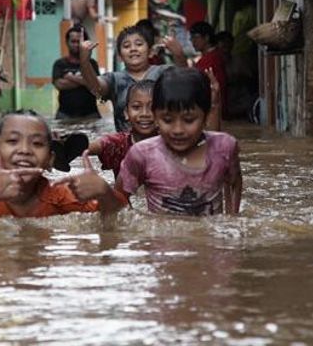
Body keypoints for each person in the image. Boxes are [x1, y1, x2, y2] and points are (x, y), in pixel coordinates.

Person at [0, 110, 121, 225]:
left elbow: (121, 221)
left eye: (37, 144)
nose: (24, 150)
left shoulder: (60, 195)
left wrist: (104, 192)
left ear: (50, 160)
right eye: (13, 141)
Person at [116, 68, 243, 216]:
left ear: (206, 117)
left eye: (188, 120)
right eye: (168, 120)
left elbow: (234, 182)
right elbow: (118, 197)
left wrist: (232, 218)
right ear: (156, 117)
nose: (178, 130)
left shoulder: (225, 147)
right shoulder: (142, 154)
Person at [89, 73, 223, 178]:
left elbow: (210, 146)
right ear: (126, 113)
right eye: (136, 107)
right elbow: (86, 147)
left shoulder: (174, 142)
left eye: (152, 107)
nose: (145, 114)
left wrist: (214, 105)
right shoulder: (118, 144)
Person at [78, 25, 186, 132]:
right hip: (126, 144)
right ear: (120, 56)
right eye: (126, 46)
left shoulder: (164, 73)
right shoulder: (114, 79)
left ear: (151, 52)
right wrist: (84, 61)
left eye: (139, 44)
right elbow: (96, 88)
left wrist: (179, 53)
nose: (133, 49)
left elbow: (185, 81)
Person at [52, 25, 100, 120]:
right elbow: (59, 85)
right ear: (67, 42)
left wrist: (70, 78)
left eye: (79, 42)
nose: (76, 45)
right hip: (64, 115)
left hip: (91, 114)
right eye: (73, 41)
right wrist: (85, 81)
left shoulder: (92, 64)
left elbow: (96, 87)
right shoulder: (60, 64)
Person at [189, 21, 227, 114]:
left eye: (195, 37)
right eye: (191, 38)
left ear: (206, 38)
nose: (193, 41)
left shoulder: (212, 58)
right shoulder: (212, 56)